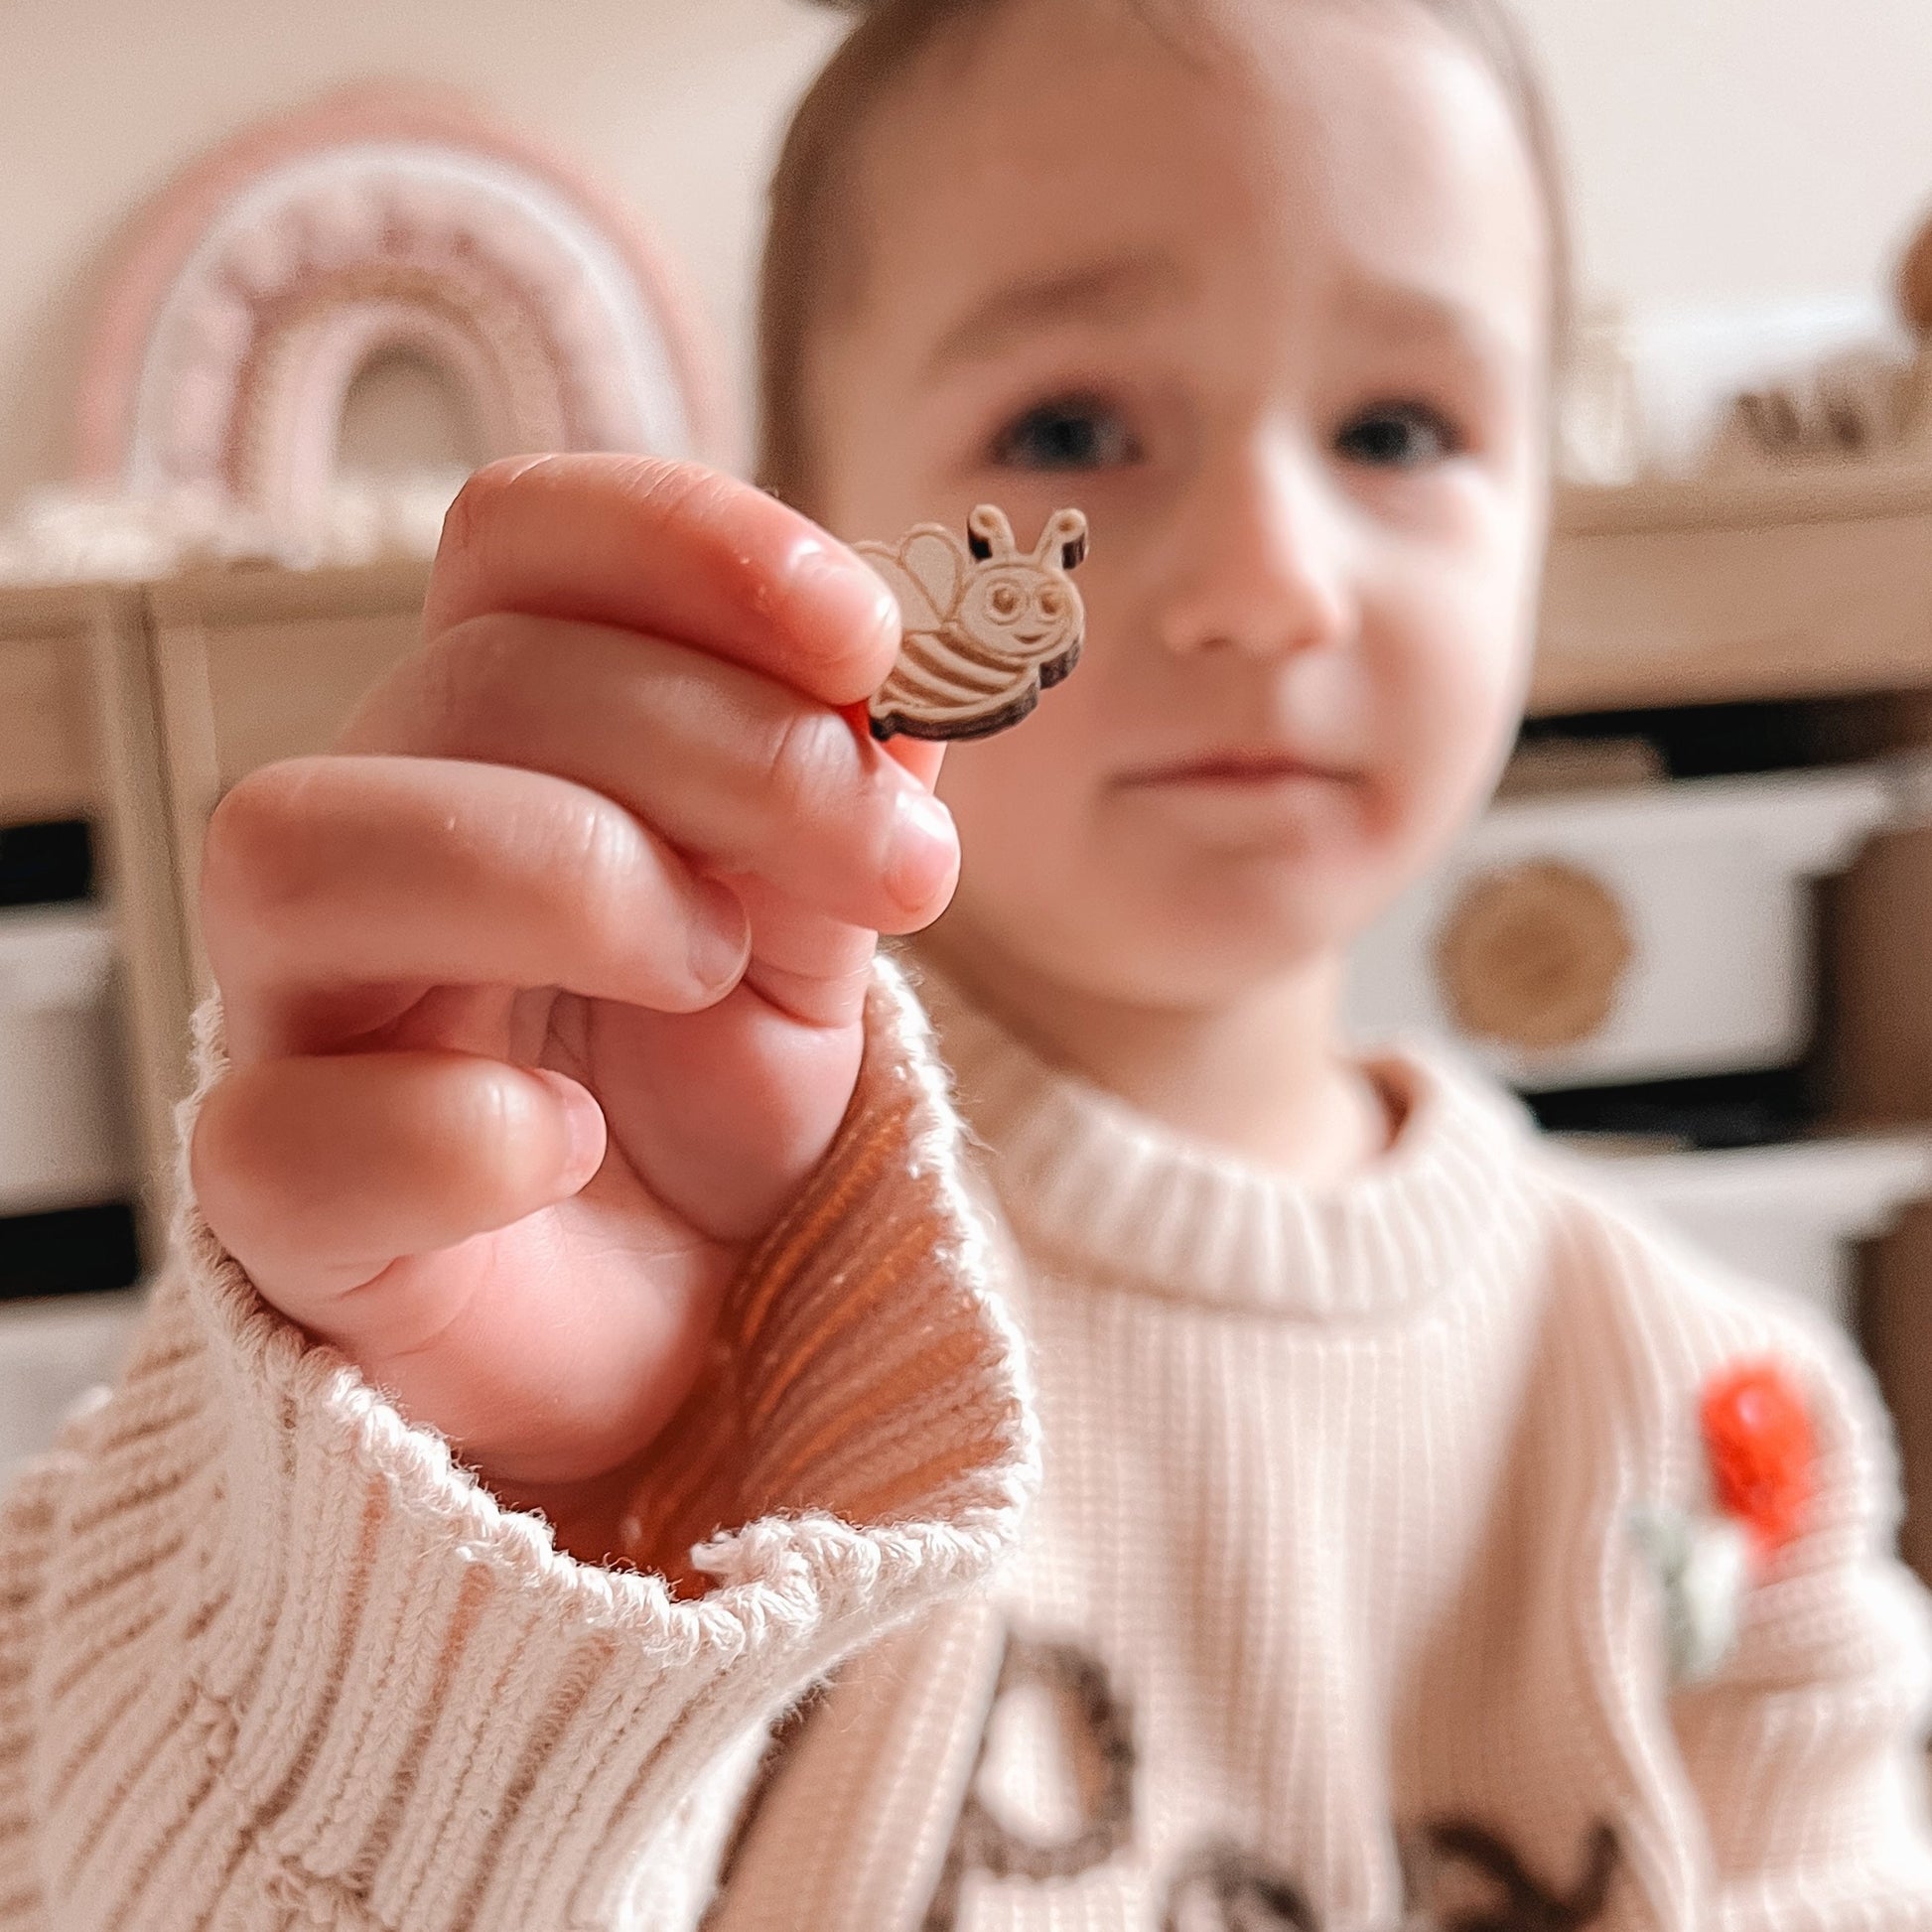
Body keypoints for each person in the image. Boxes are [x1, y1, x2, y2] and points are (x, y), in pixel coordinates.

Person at [6, 0, 1932, 1925]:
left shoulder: (1724, 1396)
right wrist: (469, 1550)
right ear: (820, 518)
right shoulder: (610, 1260)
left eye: (1398, 429)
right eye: (1071, 431)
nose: (1269, 579)